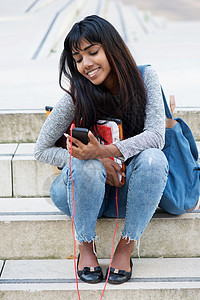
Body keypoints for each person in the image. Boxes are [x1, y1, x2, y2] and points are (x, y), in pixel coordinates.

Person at [34, 15, 169, 284]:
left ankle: (127, 245)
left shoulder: (145, 77)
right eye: (78, 58)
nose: (86, 64)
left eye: (93, 52)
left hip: (130, 193)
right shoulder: (76, 94)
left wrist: (104, 153)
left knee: (154, 159)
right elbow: (41, 150)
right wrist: (86, 159)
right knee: (86, 165)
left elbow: (156, 136)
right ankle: (85, 244)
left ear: (112, 47)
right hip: (81, 193)